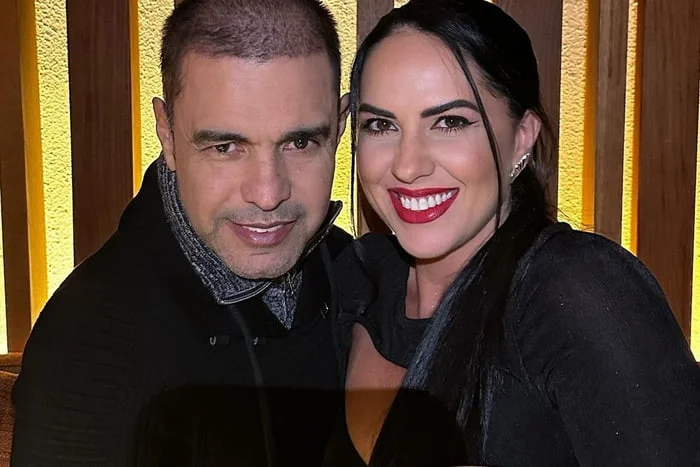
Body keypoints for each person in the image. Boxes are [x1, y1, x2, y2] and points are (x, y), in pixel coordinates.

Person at [329, 0, 700, 466]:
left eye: (450, 122)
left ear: (522, 137)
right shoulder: (361, 278)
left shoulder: (573, 291)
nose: (407, 165)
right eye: (381, 125)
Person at [11, 0, 351, 465]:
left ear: (339, 126)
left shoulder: (353, 271)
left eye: (300, 142)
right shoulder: (90, 349)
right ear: (167, 136)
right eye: (226, 146)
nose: (268, 194)